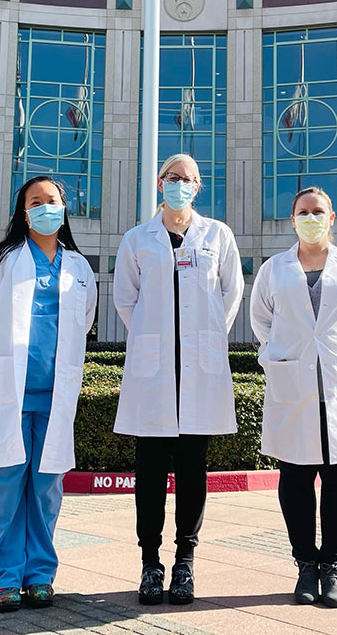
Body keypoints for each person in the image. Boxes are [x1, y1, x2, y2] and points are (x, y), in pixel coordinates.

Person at [0, 176, 97, 613]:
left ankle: (39, 576)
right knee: (1, 491)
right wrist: (3, 360)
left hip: (53, 397)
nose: (44, 207)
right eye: (35, 202)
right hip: (8, 397)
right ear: (23, 212)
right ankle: (3, 579)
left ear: (64, 209)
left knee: (44, 491)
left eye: (52, 200)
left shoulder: (78, 267)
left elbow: (85, 322)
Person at [113, 153, 244, 606]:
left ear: (198, 186)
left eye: (188, 179)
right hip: (153, 376)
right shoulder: (137, 239)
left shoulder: (217, 236)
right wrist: (157, 338)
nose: (180, 184)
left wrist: (202, 338)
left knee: (193, 474)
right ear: (159, 182)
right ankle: (151, 563)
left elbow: (231, 294)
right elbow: (126, 300)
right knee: (148, 474)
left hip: (199, 375)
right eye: (173, 177)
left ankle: (185, 564)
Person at [249, 186, 337, 609]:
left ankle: (333, 568)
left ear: (332, 218)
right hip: (295, 382)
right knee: (295, 476)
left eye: (318, 211)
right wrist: (281, 357)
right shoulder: (274, 268)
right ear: (293, 220)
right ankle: (305, 565)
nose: (311, 217)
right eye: (303, 212)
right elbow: (260, 319)